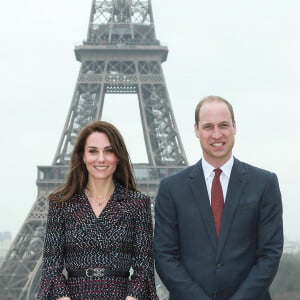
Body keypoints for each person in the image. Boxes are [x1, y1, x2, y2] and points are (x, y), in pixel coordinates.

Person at [154, 96, 283, 300]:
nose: (216, 134)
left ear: (234, 126)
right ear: (196, 129)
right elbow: (164, 256)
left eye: (223, 125)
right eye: (208, 126)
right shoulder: (171, 189)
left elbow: (270, 254)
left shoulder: (265, 183)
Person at [38, 121, 158, 300]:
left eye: (109, 150)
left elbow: (144, 270)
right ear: (83, 156)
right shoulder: (61, 204)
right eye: (93, 151)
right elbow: (50, 268)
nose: (101, 158)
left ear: (118, 156)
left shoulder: (137, 204)